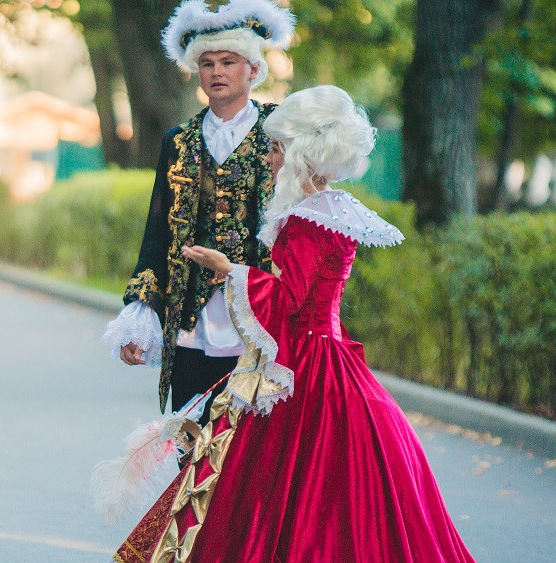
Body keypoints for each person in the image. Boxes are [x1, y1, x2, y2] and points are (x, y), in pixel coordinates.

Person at [113, 85, 474, 562]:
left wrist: (230, 270)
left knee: (279, 486)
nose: (271, 157)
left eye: (278, 148)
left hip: (306, 367)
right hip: (332, 357)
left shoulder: (307, 218)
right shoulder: (335, 208)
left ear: (303, 152)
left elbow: (289, 302)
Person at [103, 0, 296, 423]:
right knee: (190, 447)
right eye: (207, 63)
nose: (217, 72)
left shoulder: (282, 131)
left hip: (260, 318)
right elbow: (157, 234)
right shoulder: (178, 141)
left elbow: (302, 218)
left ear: (254, 69)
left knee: (250, 455)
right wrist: (140, 311)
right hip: (190, 321)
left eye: (229, 61)